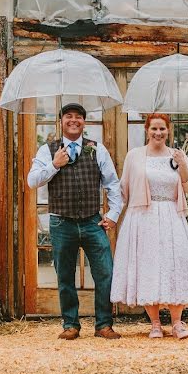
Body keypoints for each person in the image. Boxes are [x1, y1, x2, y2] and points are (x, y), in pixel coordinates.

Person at [26, 103, 123, 340]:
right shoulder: (46, 151)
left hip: (92, 221)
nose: (73, 120)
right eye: (68, 116)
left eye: (78, 117)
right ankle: (70, 324)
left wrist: (112, 215)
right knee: (65, 275)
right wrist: (54, 165)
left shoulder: (96, 149)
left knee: (105, 273)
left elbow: (112, 184)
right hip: (61, 223)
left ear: (84, 123)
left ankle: (103, 324)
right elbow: (32, 181)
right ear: (61, 121)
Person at [110, 113, 188, 339]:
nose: (158, 133)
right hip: (143, 216)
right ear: (147, 130)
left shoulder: (176, 155)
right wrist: (116, 213)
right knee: (148, 266)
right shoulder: (135, 156)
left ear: (168, 131)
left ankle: (177, 323)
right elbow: (123, 188)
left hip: (172, 215)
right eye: (154, 128)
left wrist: (183, 165)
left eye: (162, 129)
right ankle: (154, 323)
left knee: (175, 265)